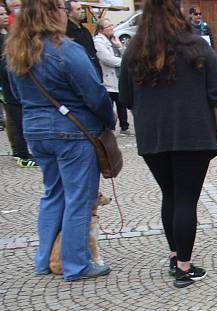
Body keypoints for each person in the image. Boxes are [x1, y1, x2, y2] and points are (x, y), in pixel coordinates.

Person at [119, 0, 217, 288]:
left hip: (153, 137)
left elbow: (126, 98)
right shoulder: (197, 47)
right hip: (193, 135)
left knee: (170, 194)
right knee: (185, 199)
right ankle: (183, 266)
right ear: (178, 10)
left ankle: (175, 254)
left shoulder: (134, 51)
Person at [7, 0, 115, 280]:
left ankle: (44, 259)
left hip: (35, 129)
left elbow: (17, 96)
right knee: (79, 198)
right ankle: (76, 264)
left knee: (52, 193)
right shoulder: (65, 49)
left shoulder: (18, 49)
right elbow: (94, 93)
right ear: (54, 13)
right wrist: (108, 120)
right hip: (71, 131)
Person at [0, 2, 37, 167]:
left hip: (12, 82)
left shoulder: (7, 35)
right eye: (0, 15)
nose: (4, 17)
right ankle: (22, 153)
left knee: (15, 118)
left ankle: (20, 151)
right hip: (6, 85)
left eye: (4, 14)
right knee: (15, 118)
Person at [93, 18, 129, 134]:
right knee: (108, 105)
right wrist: (124, 62)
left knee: (121, 104)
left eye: (112, 26)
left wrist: (119, 46)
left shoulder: (113, 39)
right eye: (109, 27)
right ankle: (109, 127)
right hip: (108, 78)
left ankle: (124, 126)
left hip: (118, 77)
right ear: (102, 29)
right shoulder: (98, 42)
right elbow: (107, 59)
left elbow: (126, 54)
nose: (112, 29)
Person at [65, 0, 101, 77]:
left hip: (94, 68)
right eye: (78, 9)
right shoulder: (67, 32)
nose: (82, 11)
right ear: (69, 13)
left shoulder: (84, 30)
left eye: (81, 8)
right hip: (81, 71)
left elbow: (92, 50)